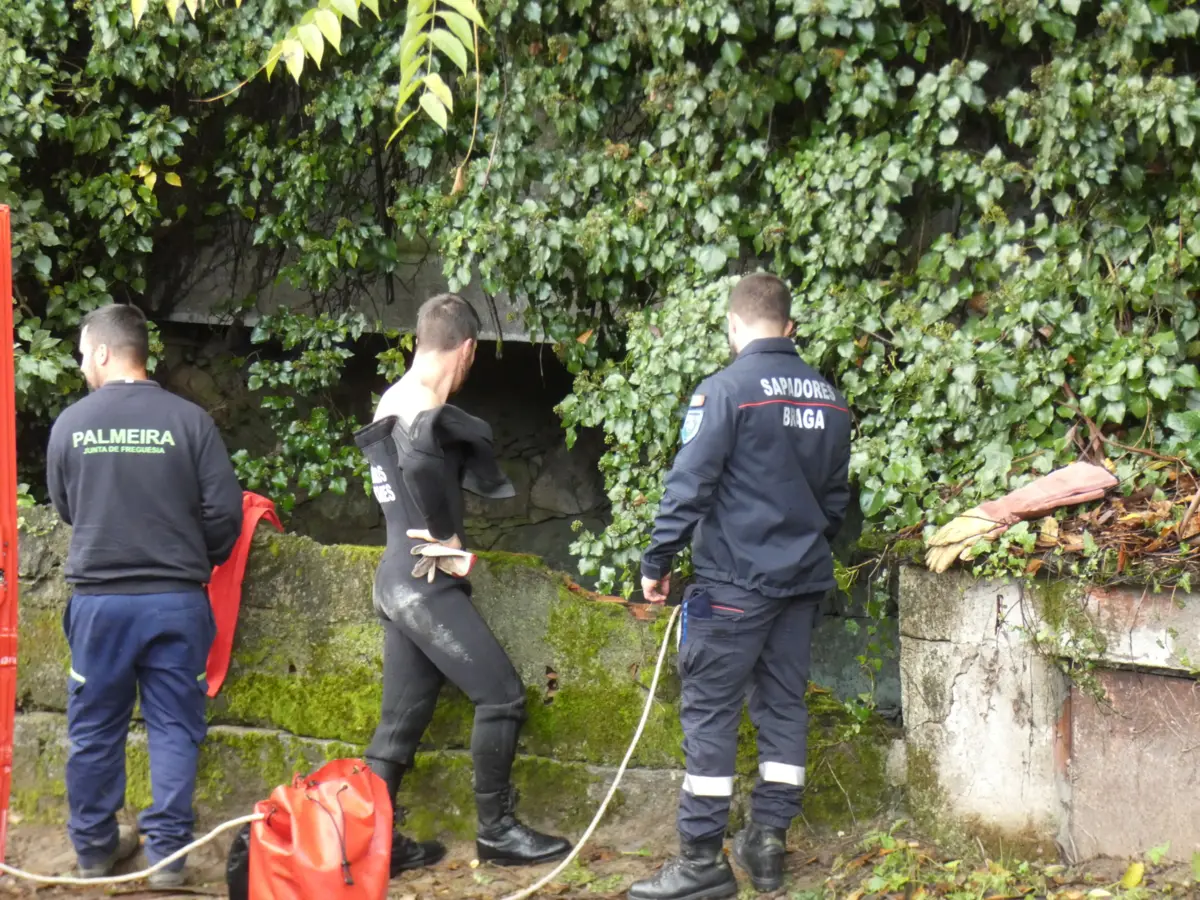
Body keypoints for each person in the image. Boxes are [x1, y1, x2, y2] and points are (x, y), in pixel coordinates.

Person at [628, 273, 853, 900]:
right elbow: (835, 502)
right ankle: (768, 843)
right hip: (799, 585)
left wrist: (657, 559)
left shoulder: (725, 391)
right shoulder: (831, 401)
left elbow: (690, 485)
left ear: (733, 325)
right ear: (789, 325)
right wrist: (798, 549)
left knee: (710, 713)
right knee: (783, 707)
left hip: (732, 585)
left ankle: (701, 861)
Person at [351, 293, 571, 874]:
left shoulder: (392, 397)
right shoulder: (423, 405)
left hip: (396, 579)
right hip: (424, 583)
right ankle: (497, 833)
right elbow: (421, 461)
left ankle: (372, 847)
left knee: (399, 726)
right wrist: (446, 534)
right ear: (467, 349)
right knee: (502, 696)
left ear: (421, 340)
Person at [45, 303, 244, 887]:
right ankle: (168, 859)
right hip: (175, 602)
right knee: (175, 726)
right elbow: (225, 514)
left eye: (84, 353)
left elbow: (66, 508)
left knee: (93, 728)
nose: (82, 364)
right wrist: (191, 558)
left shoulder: (71, 424)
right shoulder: (190, 421)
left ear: (105, 352)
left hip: (100, 604)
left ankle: (94, 849)